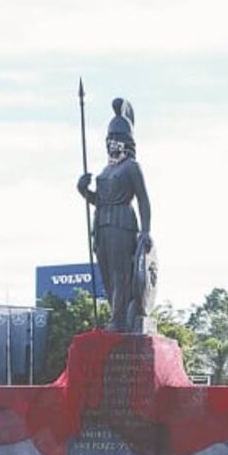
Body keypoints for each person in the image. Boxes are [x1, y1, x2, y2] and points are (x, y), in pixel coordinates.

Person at [77, 98, 152, 332]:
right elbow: (99, 201)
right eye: (109, 139)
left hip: (122, 223)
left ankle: (119, 318)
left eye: (117, 139)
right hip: (102, 224)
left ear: (127, 141)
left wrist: (146, 230)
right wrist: (83, 190)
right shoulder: (106, 169)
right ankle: (115, 314)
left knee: (121, 273)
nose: (112, 143)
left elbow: (143, 199)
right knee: (107, 274)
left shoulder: (131, 167)